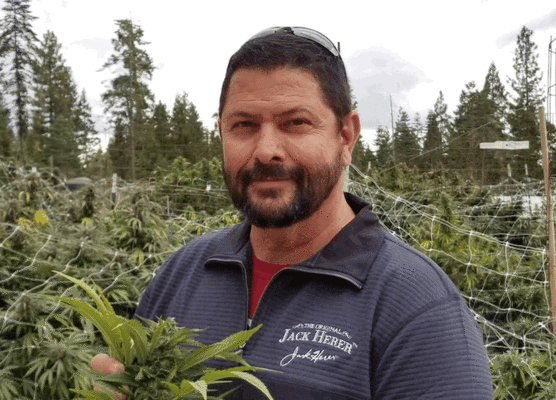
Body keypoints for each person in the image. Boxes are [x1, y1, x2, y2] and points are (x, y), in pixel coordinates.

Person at [93, 26, 495, 399]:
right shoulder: (183, 273)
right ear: (221, 134)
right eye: (244, 125)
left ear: (346, 137)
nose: (266, 149)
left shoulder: (416, 307)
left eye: (296, 123)